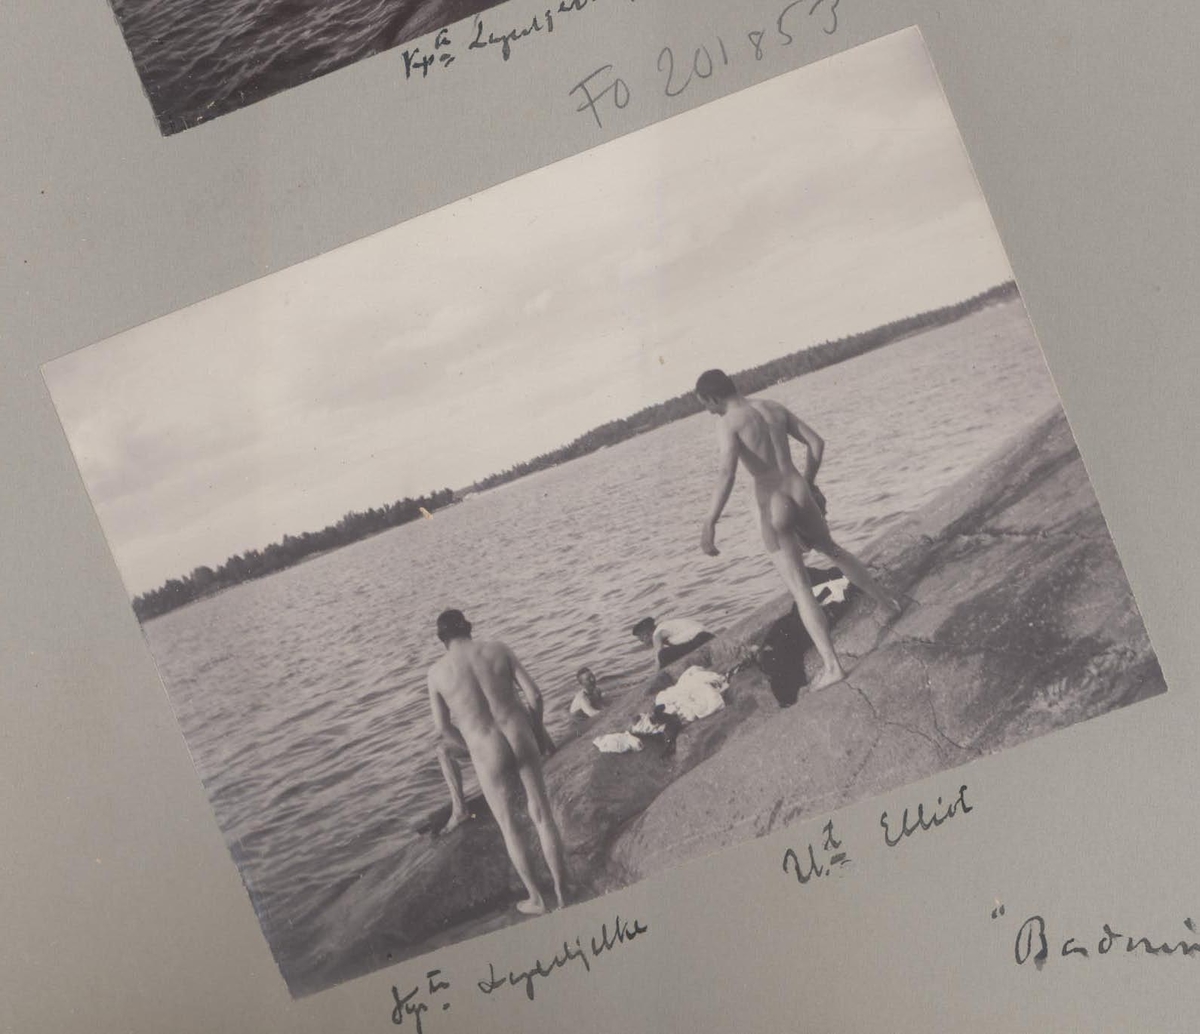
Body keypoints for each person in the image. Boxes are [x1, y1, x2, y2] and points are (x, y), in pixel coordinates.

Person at [694, 369, 900, 690]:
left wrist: (710, 521)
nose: (708, 412)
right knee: (835, 551)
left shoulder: (728, 423)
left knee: (801, 588)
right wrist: (810, 482)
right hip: (799, 491)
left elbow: (726, 474)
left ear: (713, 397)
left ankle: (832, 666)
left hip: (771, 503)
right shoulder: (773, 407)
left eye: (705, 405)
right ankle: (889, 604)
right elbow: (816, 443)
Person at [427, 610, 569, 914]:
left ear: (442, 640)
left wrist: (470, 748)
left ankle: (537, 899)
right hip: (520, 735)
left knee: (509, 826)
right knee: (542, 815)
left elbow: (442, 729)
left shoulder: (436, 673)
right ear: (468, 628)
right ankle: (562, 895)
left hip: (485, 747)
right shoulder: (498, 649)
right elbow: (535, 695)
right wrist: (538, 731)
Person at [631, 616, 715, 668]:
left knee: (663, 655)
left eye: (642, 639)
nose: (643, 643)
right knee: (671, 653)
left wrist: (655, 675)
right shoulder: (666, 625)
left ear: (646, 634)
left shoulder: (656, 634)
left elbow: (658, 656)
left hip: (699, 638)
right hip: (706, 635)